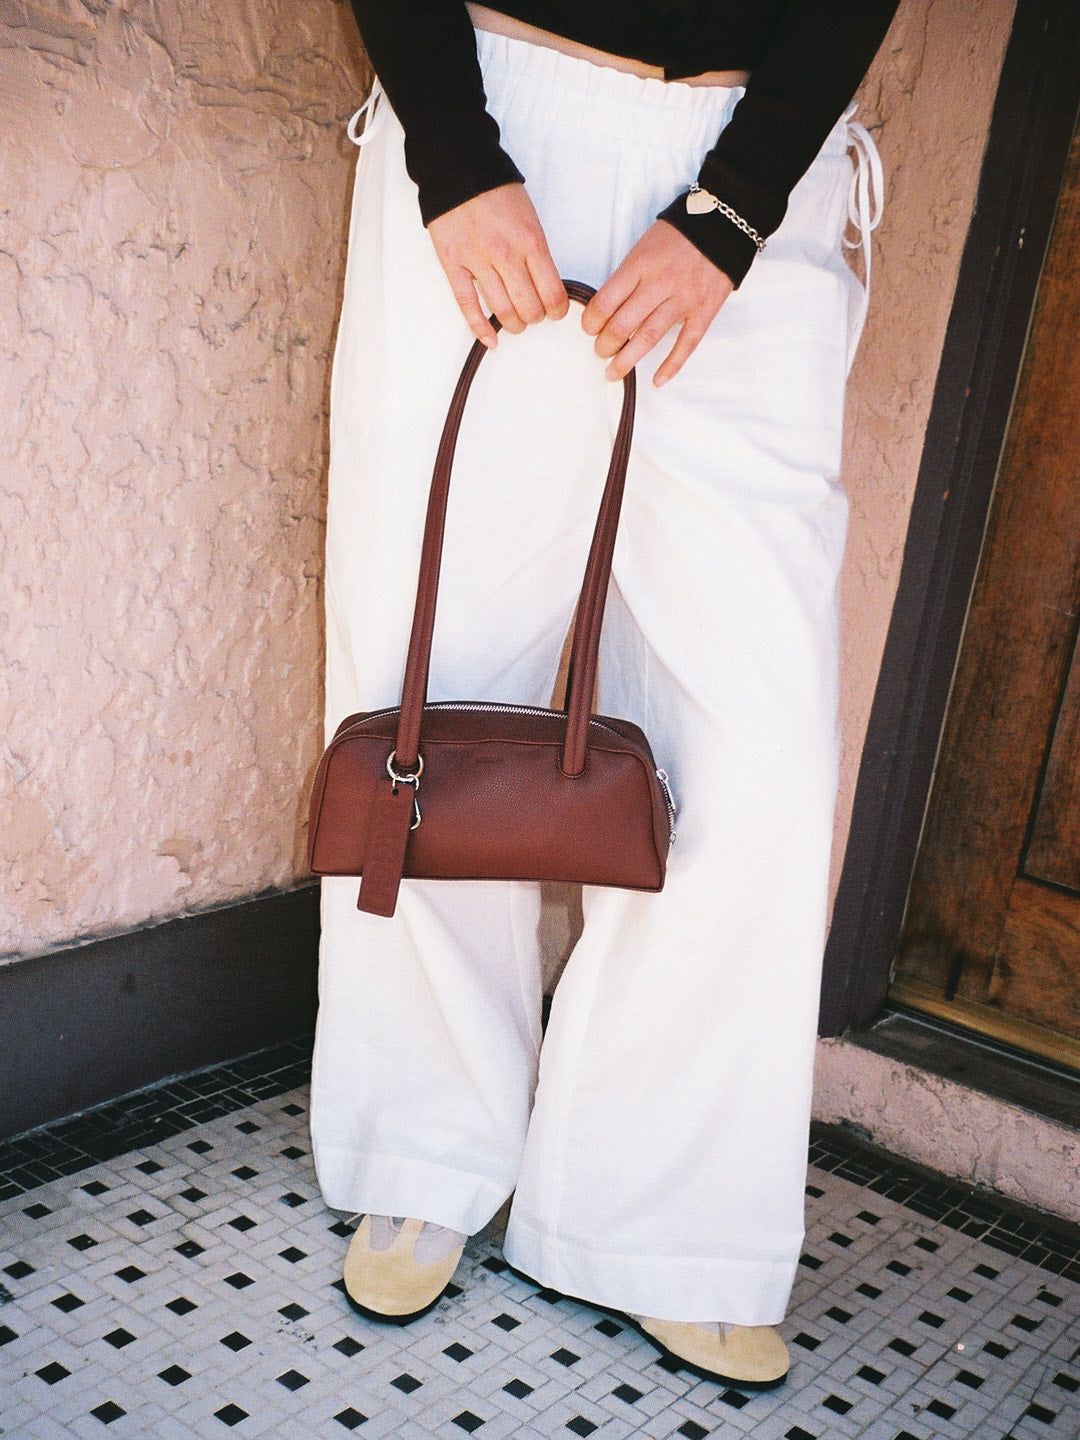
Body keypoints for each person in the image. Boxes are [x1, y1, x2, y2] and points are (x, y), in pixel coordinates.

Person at [310, 0, 897, 1390]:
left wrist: (736, 211)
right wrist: (453, 151)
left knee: (756, 743)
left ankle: (663, 1223)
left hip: (754, 164)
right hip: (496, 115)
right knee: (430, 686)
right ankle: (427, 1147)